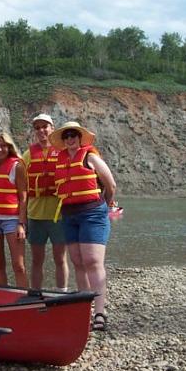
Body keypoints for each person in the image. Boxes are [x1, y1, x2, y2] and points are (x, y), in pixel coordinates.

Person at [49, 121, 117, 331]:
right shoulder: (59, 160)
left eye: (74, 135)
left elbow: (110, 184)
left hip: (92, 212)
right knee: (77, 261)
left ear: (80, 138)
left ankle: (99, 312)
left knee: (93, 261)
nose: (70, 139)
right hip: (69, 215)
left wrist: (106, 204)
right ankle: (84, 308)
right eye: (67, 136)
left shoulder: (90, 156)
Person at [22, 113, 69, 291]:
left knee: (60, 258)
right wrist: (22, 218)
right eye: (37, 128)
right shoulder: (28, 155)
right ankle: (35, 294)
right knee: (36, 260)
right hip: (35, 216)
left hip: (59, 215)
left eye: (45, 126)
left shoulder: (64, 152)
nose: (41, 130)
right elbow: (21, 185)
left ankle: (62, 293)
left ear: (52, 128)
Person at [0, 132, 29, 287]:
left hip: (12, 220)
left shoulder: (17, 166)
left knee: (18, 265)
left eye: (3, 146)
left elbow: (23, 197)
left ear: (9, 147)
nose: (0, 149)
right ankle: (3, 296)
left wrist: (21, 224)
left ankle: (24, 297)